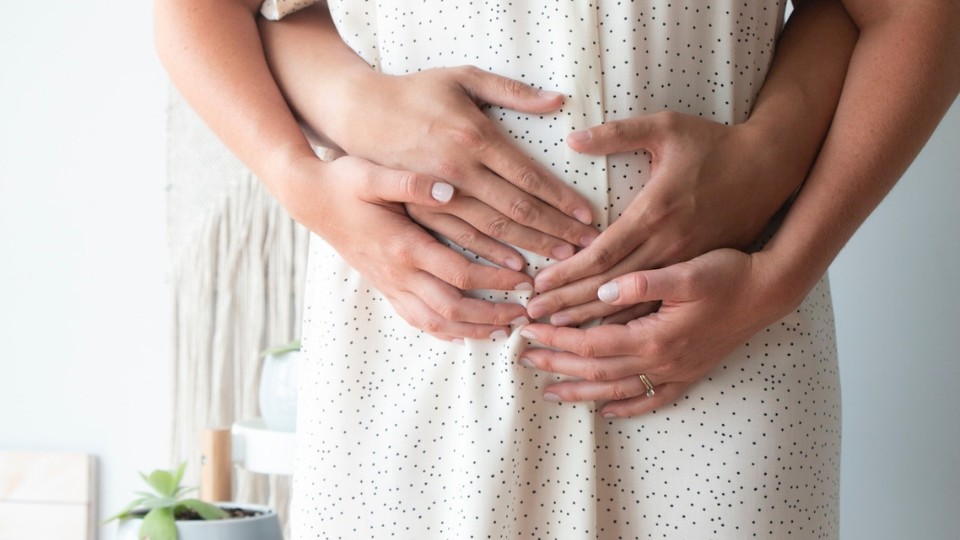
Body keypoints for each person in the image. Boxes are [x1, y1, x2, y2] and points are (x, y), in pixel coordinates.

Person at [153, 0, 959, 538]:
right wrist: (304, 179)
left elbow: (909, 14)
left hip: (720, 347)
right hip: (416, 353)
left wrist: (781, 269)